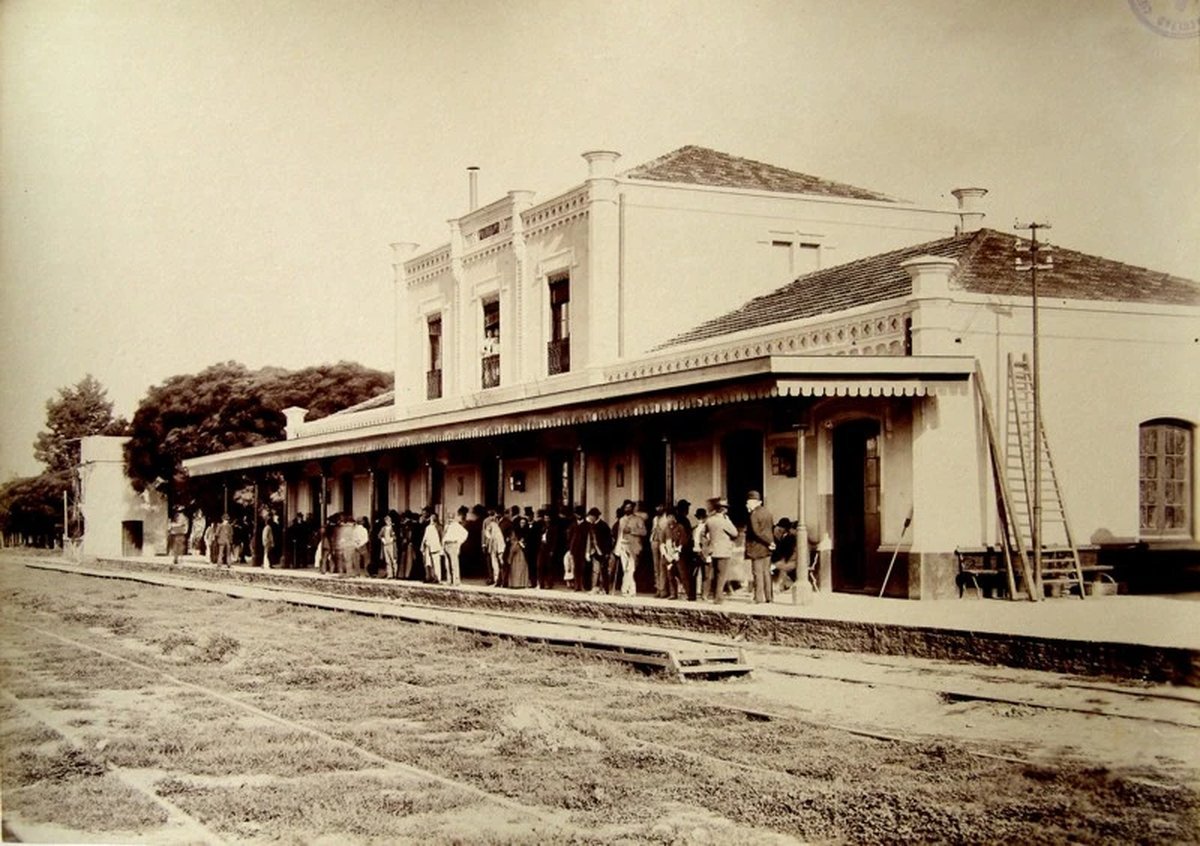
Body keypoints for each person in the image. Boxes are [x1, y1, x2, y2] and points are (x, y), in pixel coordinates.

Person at [704, 499, 738, 603]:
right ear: (724, 510)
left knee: (715, 574)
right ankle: (718, 597)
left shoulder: (709, 520)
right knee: (722, 575)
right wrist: (728, 521)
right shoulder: (724, 521)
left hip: (713, 550)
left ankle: (713, 594)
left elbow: (704, 534)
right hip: (724, 551)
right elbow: (735, 533)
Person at [744, 490, 775, 603]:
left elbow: (756, 532)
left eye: (748, 502)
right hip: (767, 548)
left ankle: (758, 598)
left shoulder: (754, 514)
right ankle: (769, 597)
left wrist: (768, 542)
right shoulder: (768, 512)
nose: (747, 505)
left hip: (756, 547)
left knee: (757, 573)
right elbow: (770, 529)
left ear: (753, 502)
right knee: (766, 572)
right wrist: (771, 542)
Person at [615, 500, 646, 596]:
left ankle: (625, 589)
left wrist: (632, 530)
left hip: (634, 546)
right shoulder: (621, 520)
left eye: (630, 507)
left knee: (631, 569)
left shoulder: (638, 519)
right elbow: (619, 534)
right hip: (623, 545)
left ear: (633, 508)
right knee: (625, 569)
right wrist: (617, 548)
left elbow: (644, 532)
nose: (628, 509)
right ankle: (631, 590)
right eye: (626, 507)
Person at [669, 501, 693, 600]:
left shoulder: (676, 522)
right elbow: (685, 536)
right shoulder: (683, 521)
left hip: (675, 549)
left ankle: (675, 593)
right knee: (683, 572)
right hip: (681, 549)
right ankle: (688, 593)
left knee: (673, 572)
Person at [771, 518, 799, 593]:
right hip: (789, 561)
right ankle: (780, 585)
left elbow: (787, 554)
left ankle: (779, 585)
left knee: (781, 568)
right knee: (777, 567)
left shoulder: (792, 539)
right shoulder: (791, 538)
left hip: (793, 562)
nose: (788, 531)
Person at [650, 503, 670, 598]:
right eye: (657, 507)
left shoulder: (667, 519)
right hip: (655, 541)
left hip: (663, 543)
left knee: (663, 567)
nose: (658, 509)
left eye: (660, 507)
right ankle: (658, 588)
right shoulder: (655, 519)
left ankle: (663, 589)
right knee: (656, 567)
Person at [442, 509, 468, 585]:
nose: (450, 519)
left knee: (454, 564)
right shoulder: (446, 526)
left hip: (453, 544)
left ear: (453, 518)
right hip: (446, 544)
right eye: (449, 518)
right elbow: (444, 536)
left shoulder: (457, 526)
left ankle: (456, 581)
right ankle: (449, 580)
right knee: (447, 564)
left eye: (451, 518)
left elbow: (465, 533)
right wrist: (442, 546)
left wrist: (459, 542)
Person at [691, 507, 710, 601]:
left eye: (701, 517)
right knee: (694, 574)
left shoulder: (707, 528)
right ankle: (693, 594)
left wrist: (708, 552)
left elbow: (709, 541)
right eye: (698, 517)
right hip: (696, 552)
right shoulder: (694, 528)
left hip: (704, 552)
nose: (700, 519)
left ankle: (704, 594)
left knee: (706, 574)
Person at [420, 509, 443, 583]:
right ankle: (429, 577)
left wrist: (441, 547)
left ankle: (437, 578)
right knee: (428, 563)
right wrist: (423, 546)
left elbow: (441, 537)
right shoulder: (428, 527)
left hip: (435, 547)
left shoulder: (439, 527)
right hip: (428, 547)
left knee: (436, 563)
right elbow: (425, 537)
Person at [379, 514, 398, 579]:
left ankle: (395, 574)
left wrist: (391, 539)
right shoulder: (383, 528)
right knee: (387, 560)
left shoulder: (393, 528)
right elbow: (379, 535)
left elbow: (395, 536)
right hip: (385, 545)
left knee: (393, 560)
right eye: (386, 521)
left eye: (389, 520)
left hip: (391, 545)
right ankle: (389, 574)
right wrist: (383, 539)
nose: (387, 522)